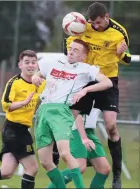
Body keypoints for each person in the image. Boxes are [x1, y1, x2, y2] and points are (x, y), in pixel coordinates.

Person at [62, 2, 131, 188]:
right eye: (92, 23)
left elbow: (128, 60)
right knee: (69, 116)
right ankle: (56, 153)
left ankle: (117, 176)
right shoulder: (82, 27)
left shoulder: (119, 32)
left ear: (107, 17)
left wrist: (121, 54)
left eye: (99, 23)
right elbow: (68, 49)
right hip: (85, 78)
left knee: (111, 126)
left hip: (108, 81)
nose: (95, 26)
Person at [32, 39, 113, 189]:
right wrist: (35, 76)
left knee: (65, 154)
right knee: (44, 161)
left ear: (83, 56)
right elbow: (37, 71)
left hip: (62, 111)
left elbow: (107, 82)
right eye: (70, 48)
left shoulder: (86, 68)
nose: (71, 51)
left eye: (76, 50)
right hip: (43, 110)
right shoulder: (53, 61)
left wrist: (86, 90)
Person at [0, 50, 46, 189]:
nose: (30, 65)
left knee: (6, 172)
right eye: (27, 62)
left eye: (33, 62)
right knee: (32, 168)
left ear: (37, 65)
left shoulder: (41, 83)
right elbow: (5, 106)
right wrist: (23, 103)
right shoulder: (14, 82)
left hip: (21, 129)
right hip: (13, 129)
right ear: (20, 65)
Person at [47, 108, 111, 189]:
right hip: (76, 130)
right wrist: (84, 138)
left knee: (104, 169)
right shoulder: (83, 95)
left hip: (89, 131)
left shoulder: (103, 95)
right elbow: (76, 112)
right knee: (79, 167)